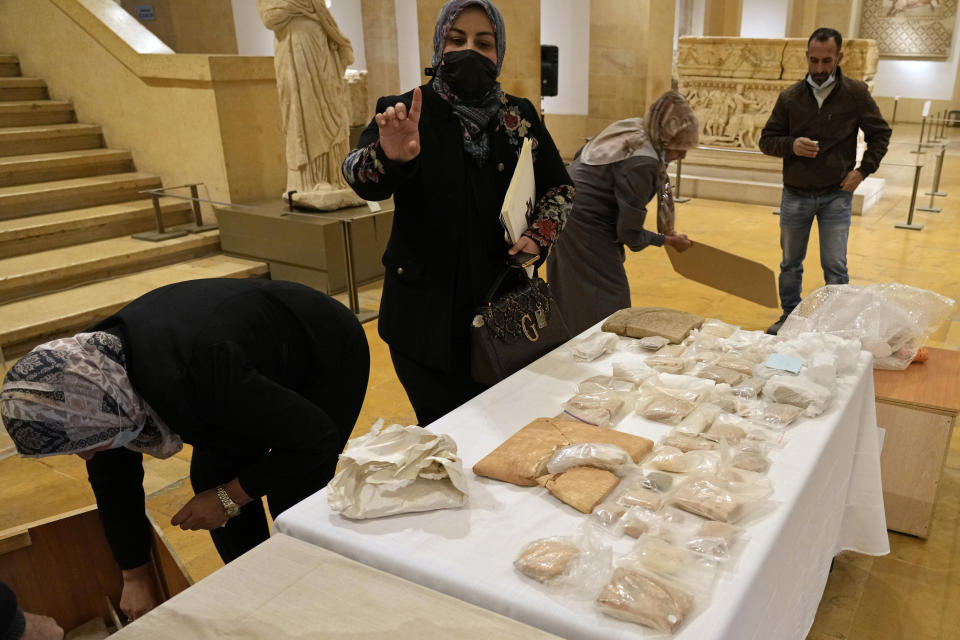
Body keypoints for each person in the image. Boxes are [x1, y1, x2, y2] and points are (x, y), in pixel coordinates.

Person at [0, 279, 369, 621]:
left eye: (83, 444)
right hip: (238, 362)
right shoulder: (95, 384)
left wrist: (229, 497)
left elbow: (314, 439)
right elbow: (114, 485)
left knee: (291, 497)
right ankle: (260, 588)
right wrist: (136, 575)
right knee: (211, 478)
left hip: (322, 352)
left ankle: (314, 596)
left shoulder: (189, 373)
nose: (84, 456)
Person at [341, 0, 574, 426]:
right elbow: (358, 177)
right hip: (424, 320)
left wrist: (540, 234)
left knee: (508, 426)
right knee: (447, 431)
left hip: (503, 310)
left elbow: (559, 187)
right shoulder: (406, 109)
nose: (469, 50)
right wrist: (389, 156)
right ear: (438, 44)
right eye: (456, 39)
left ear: (498, 52)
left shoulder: (518, 116)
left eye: (483, 43)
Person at [759, 27, 890, 335]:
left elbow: (880, 134)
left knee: (835, 265)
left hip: (836, 195)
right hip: (796, 194)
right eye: (814, 61)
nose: (819, 69)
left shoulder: (856, 94)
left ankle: (836, 325)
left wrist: (862, 171)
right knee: (790, 263)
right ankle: (790, 317)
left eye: (826, 61)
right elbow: (767, 140)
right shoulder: (790, 97)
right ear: (806, 57)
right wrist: (791, 145)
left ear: (839, 57)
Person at [547, 91, 698, 336]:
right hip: (585, 223)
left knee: (574, 290)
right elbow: (630, 234)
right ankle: (597, 352)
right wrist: (667, 240)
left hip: (563, 209)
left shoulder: (636, 127)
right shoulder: (644, 162)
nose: (683, 155)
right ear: (664, 139)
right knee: (610, 297)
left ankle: (574, 344)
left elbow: (579, 156)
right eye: (678, 148)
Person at [256, 0, 364, 210]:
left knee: (333, 112)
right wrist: (301, 6)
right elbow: (270, 15)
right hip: (295, 48)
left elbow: (322, 13)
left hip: (321, 47)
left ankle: (336, 177)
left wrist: (338, 40)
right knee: (308, 114)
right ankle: (314, 181)